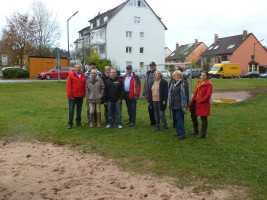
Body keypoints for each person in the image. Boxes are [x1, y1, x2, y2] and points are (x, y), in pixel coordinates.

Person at [189, 71, 213, 138]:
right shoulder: (199, 82)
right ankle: (196, 130)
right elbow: (196, 93)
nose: (202, 77)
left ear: (207, 76)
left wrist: (201, 100)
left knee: (203, 118)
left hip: (203, 104)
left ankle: (202, 134)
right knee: (193, 116)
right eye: (201, 75)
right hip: (196, 103)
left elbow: (208, 95)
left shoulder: (209, 84)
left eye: (204, 75)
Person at [168, 70, 189, 140]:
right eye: (175, 75)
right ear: (173, 76)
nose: (176, 76)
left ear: (180, 76)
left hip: (180, 105)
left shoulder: (184, 83)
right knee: (176, 119)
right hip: (173, 104)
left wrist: (186, 104)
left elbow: (186, 94)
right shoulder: (173, 83)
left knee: (179, 119)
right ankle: (178, 132)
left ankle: (182, 134)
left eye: (178, 75)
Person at [66, 63, 86, 129]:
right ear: (74, 68)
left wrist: (84, 94)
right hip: (73, 96)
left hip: (80, 96)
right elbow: (68, 86)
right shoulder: (71, 75)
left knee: (79, 110)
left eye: (79, 67)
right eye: (76, 67)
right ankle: (70, 123)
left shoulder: (83, 75)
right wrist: (69, 95)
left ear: (81, 68)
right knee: (71, 110)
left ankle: (78, 122)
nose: (78, 68)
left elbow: (84, 86)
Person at [143, 62, 157, 126]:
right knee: (150, 108)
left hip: (155, 93)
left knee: (155, 108)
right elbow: (145, 84)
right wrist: (145, 93)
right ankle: (152, 122)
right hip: (148, 93)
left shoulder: (157, 73)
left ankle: (157, 122)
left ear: (155, 66)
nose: (151, 67)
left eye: (152, 66)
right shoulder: (148, 73)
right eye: (150, 66)